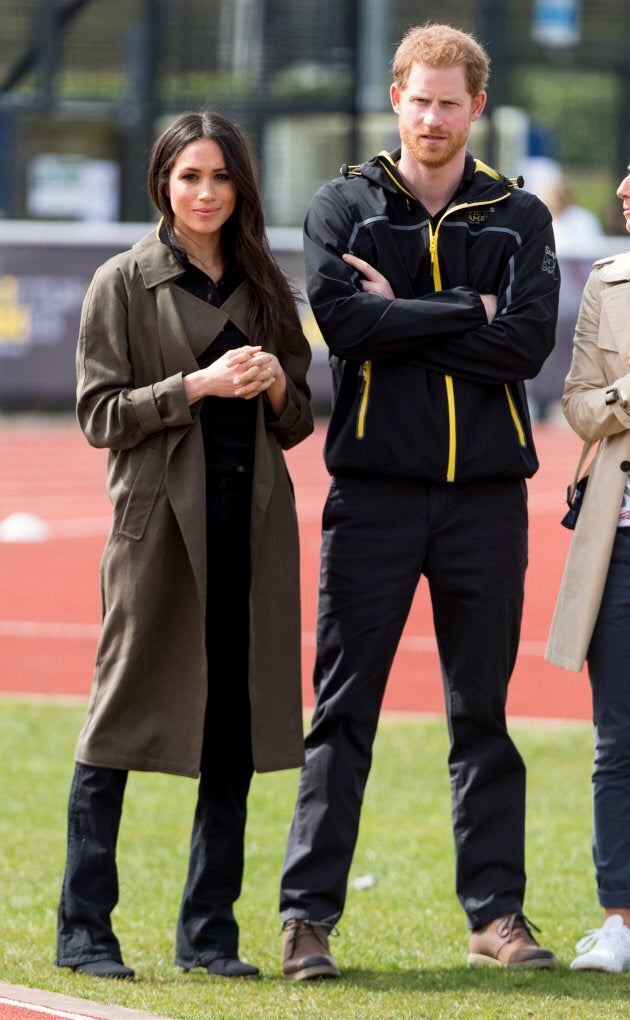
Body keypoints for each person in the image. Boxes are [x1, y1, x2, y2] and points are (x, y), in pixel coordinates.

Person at [279, 23, 560, 979]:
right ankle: (307, 919)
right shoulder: (342, 205)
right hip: (375, 495)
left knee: (481, 712)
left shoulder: (517, 216)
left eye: (451, 101)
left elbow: (524, 348)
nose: (432, 117)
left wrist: (401, 317)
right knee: (343, 709)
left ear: (476, 108)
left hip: (485, 500)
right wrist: (461, 311)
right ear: (394, 97)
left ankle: (496, 917)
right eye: (419, 98)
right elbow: (345, 326)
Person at [55, 111, 313, 980]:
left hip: (251, 529)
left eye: (220, 178)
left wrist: (277, 385)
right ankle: (84, 929)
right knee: (117, 722)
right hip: (157, 531)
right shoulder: (121, 281)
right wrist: (193, 386)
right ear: (163, 181)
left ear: (241, 186)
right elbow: (99, 416)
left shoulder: (266, 280)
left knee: (233, 733)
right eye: (189, 176)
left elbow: (300, 419)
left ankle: (210, 935)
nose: (204, 193)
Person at [546, 163, 630, 972]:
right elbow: (577, 404)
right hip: (622, 542)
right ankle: (621, 923)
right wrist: (626, 397)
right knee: (617, 738)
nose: (627, 194)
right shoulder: (609, 282)